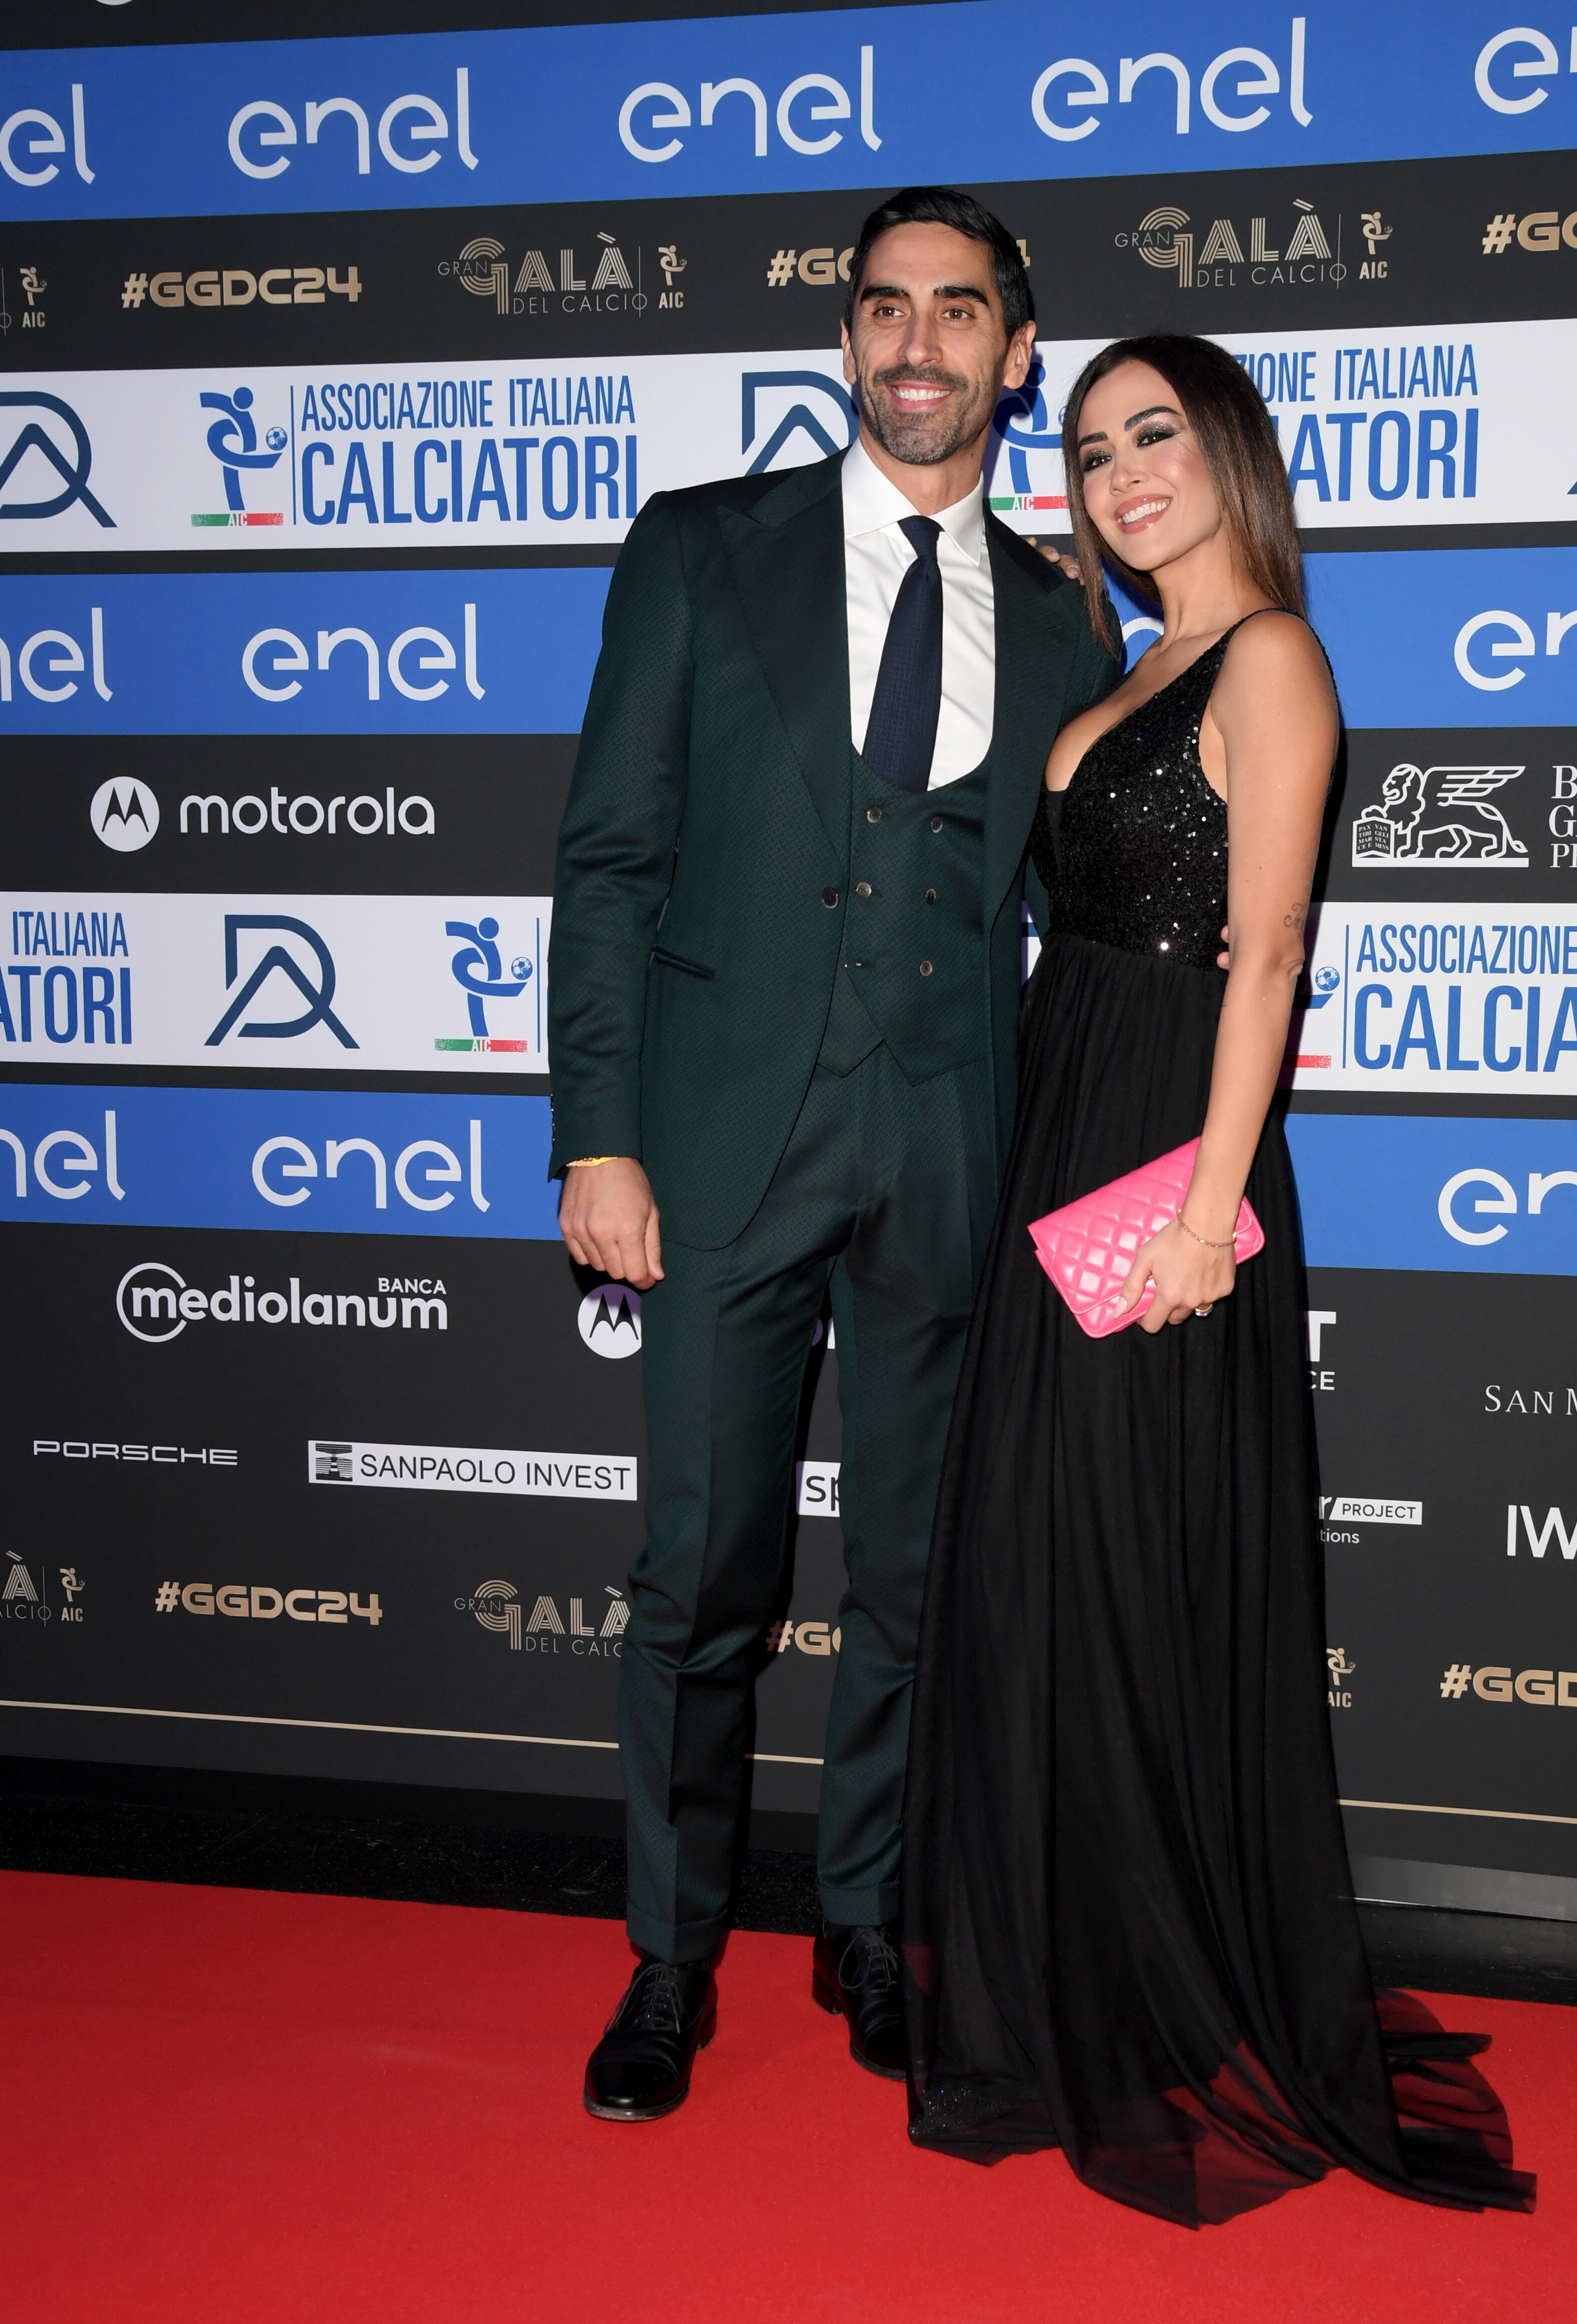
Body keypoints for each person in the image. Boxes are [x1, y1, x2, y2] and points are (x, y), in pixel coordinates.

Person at [901, 335, 1536, 2227]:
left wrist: (1202, 1208)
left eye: (1155, 435)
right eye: (1093, 448)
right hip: (1063, 1113)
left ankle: (1159, 1986)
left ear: (1234, 450)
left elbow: (1267, 954)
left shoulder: (1271, 658)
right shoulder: (1129, 664)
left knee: (1126, 1557)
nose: (1120, 474)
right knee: (1039, 1563)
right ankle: (1066, 1975)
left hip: (1171, 1150)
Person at [548, 187, 1123, 2123]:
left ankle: (871, 1920)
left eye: (958, 310)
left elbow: (1088, 907)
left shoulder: (1067, 612)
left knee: (914, 1577)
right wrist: (600, 1139)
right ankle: (668, 1958)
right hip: (721, 1149)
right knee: (697, 1574)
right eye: (886, 307)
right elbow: (609, 865)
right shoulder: (702, 549)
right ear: (848, 338)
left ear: (1016, 353)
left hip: (956, 1147)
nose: (917, 343)